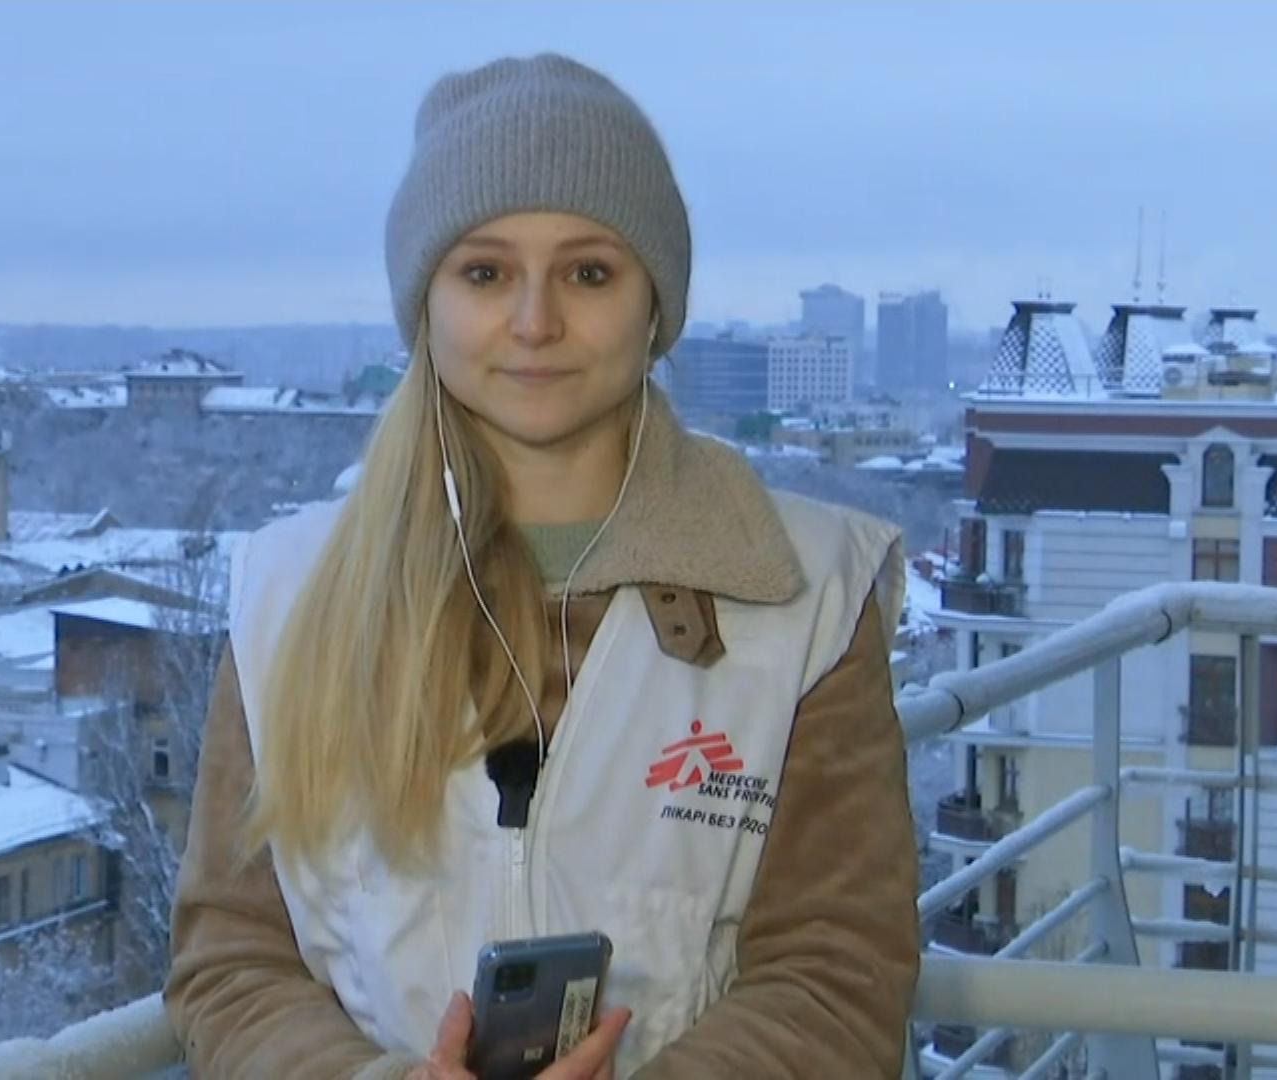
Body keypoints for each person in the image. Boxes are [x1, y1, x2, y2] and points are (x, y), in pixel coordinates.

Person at [166, 53, 919, 1079]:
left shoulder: (806, 595)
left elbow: (838, 973)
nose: (533, 322)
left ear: (657, 305)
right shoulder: (291, 597)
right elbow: (232, 961)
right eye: (484, 273)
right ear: (423, 306)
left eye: (588, 272)